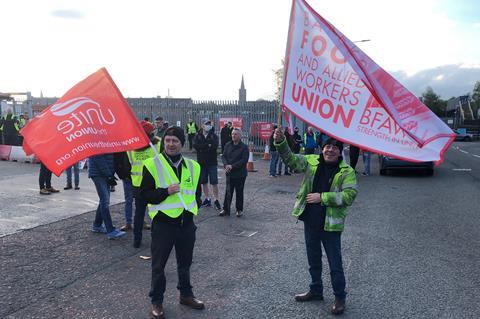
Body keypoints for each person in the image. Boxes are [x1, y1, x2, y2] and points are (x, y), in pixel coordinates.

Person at [273, 128, 358, 316]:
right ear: (322, 148)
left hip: (331, 225)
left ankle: (339, 297)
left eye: (335, 148)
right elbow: (291, 160)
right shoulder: (311, 161)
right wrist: (281, 142)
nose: (330, 150)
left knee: (335, 263)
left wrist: (323, 197)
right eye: (327, 146)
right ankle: (316, 290)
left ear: (340, 151)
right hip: (310, 221)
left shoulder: (347, 171)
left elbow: (350, 195)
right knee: (313, 260)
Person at [140, 126, 205, 318]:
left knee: (185, 263)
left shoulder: (194, 167)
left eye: (175, 141)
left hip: (186, 223)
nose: (170, 144)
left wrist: (194, 207)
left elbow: (197, 194)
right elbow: (143, 195)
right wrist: (165, 192)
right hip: (163, 225)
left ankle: (186, 295)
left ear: (181, 144)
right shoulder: (153, 164)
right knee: (159, 266)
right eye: (167, 140)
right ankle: (157, 302)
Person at [114, 120, 161, 247]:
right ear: (151, 133)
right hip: (154, 185)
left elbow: (126, 165)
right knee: (156, 212)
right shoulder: (157, 145)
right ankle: (157, 240)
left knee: (139, 213)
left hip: (137, 185)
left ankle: (137, 240)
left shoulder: (131, 147)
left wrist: (128, 176)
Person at [88, 153, 126, 240]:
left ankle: (97, 225)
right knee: (105, 200)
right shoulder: (96, 142)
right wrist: (109, 175)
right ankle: (110, 230)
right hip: (99, 174)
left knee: (104, 200)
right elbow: (98, 159)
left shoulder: (106, 141)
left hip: (105, 173)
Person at [219, 128, 249, 217]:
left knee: (239, 192)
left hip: (240, 174)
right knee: (228, 191)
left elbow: (244, 160)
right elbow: (223, 156)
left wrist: (232, 166)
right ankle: (225, 209)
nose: (233, 136)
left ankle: (239, 210)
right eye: (232, 134)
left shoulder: (244, 147)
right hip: (229, 173)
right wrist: (226, 165)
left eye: (235, 134)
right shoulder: (228, 145)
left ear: (240, 136)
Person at [193, 120, 221, 210]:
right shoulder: (198, 136)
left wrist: (203, 147)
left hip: (212, 162)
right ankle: (207, 198)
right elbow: (196, 146)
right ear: (202, 126)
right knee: (203, 181)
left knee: (214, 182)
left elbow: (214, 146)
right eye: (206, 124)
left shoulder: (214, 136)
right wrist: (207, 146)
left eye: (209, 124)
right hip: (201, 162)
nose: (208, 126)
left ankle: (216, 200)